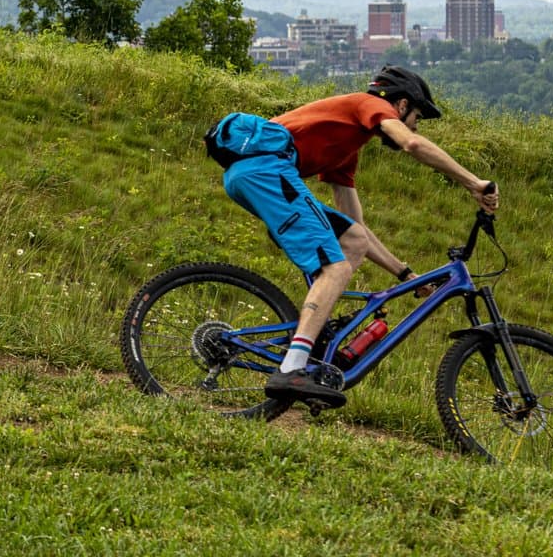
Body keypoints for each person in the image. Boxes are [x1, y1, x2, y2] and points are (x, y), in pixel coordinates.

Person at [205, 65, 497, 407]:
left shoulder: (347, 145)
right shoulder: (367, 105)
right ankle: (294, 367)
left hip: (256, 175)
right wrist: (473, 182)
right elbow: (412, 143)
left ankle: (312, 341)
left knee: (351, 243)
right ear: (401, 106)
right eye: (416, 115)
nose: (415, 123)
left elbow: (357, 231)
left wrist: (404, 275)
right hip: (267, 170)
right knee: (337, 268)